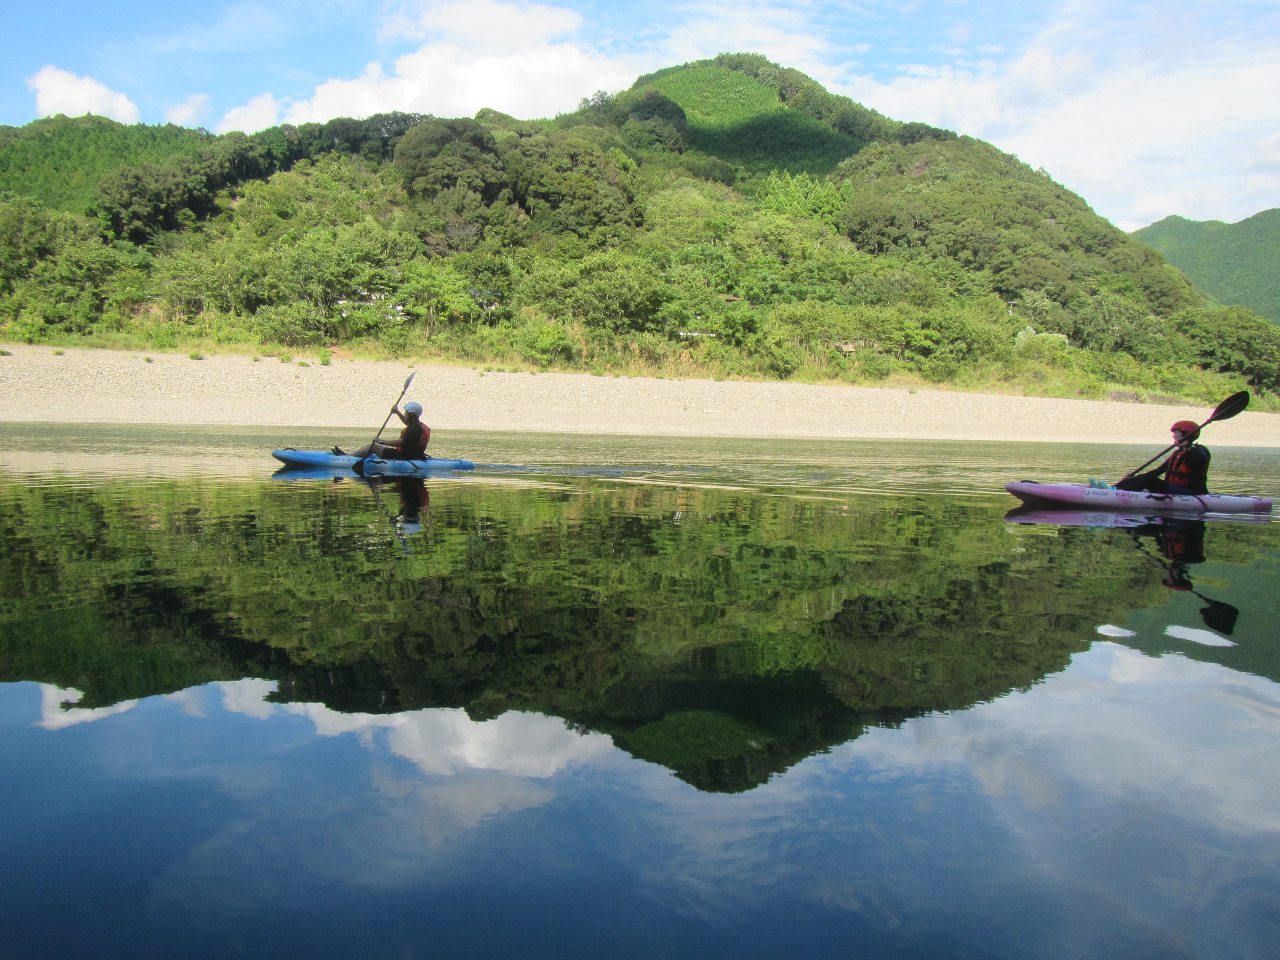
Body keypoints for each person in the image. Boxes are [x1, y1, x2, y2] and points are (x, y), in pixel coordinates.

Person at [1116, 420, 1210, 495]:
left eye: (1176, 432)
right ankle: (1114, 488)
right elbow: (1159, 471)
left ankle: (1119, 494)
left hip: (1190, 491)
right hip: (1174, 488)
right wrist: (1134, 478)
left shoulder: (1200, 450)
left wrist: (1189, 446)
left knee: (1148, 479)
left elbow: (1198, 460)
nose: (1174, 436)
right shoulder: (1178, 453)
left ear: (1185, 434)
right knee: (1144, 477)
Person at [336, 402, 431, 460]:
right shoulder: (416, 425)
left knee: (372, 447)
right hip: (411, 455)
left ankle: (348, 457)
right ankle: (356, 456)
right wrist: (397, 412)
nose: (405, 414)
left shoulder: (415, 428)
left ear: (411, 414)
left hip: (403, 456)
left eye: (406, 412)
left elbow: (399, 443)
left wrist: (381, 441)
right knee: (372, 448)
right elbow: (406, 422)